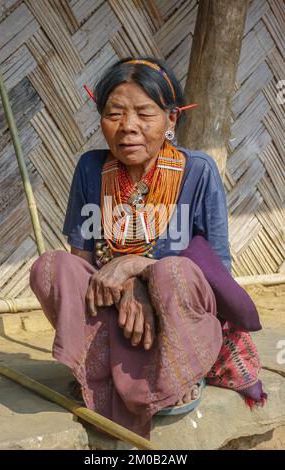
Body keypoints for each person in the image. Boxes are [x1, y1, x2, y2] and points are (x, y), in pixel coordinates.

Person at [30, 57, 264, 439]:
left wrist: (140, 268)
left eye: (144, 113)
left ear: (171, 120)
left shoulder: (198, 170)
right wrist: (124, 284)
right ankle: (98, 369)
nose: (128, 128)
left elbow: (218, 268)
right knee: (51, 267)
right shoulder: (91, 169)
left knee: (172, 271)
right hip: (111, 308)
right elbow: (82, 263)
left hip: (177, 307)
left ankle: (177, 373)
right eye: (115, 113)